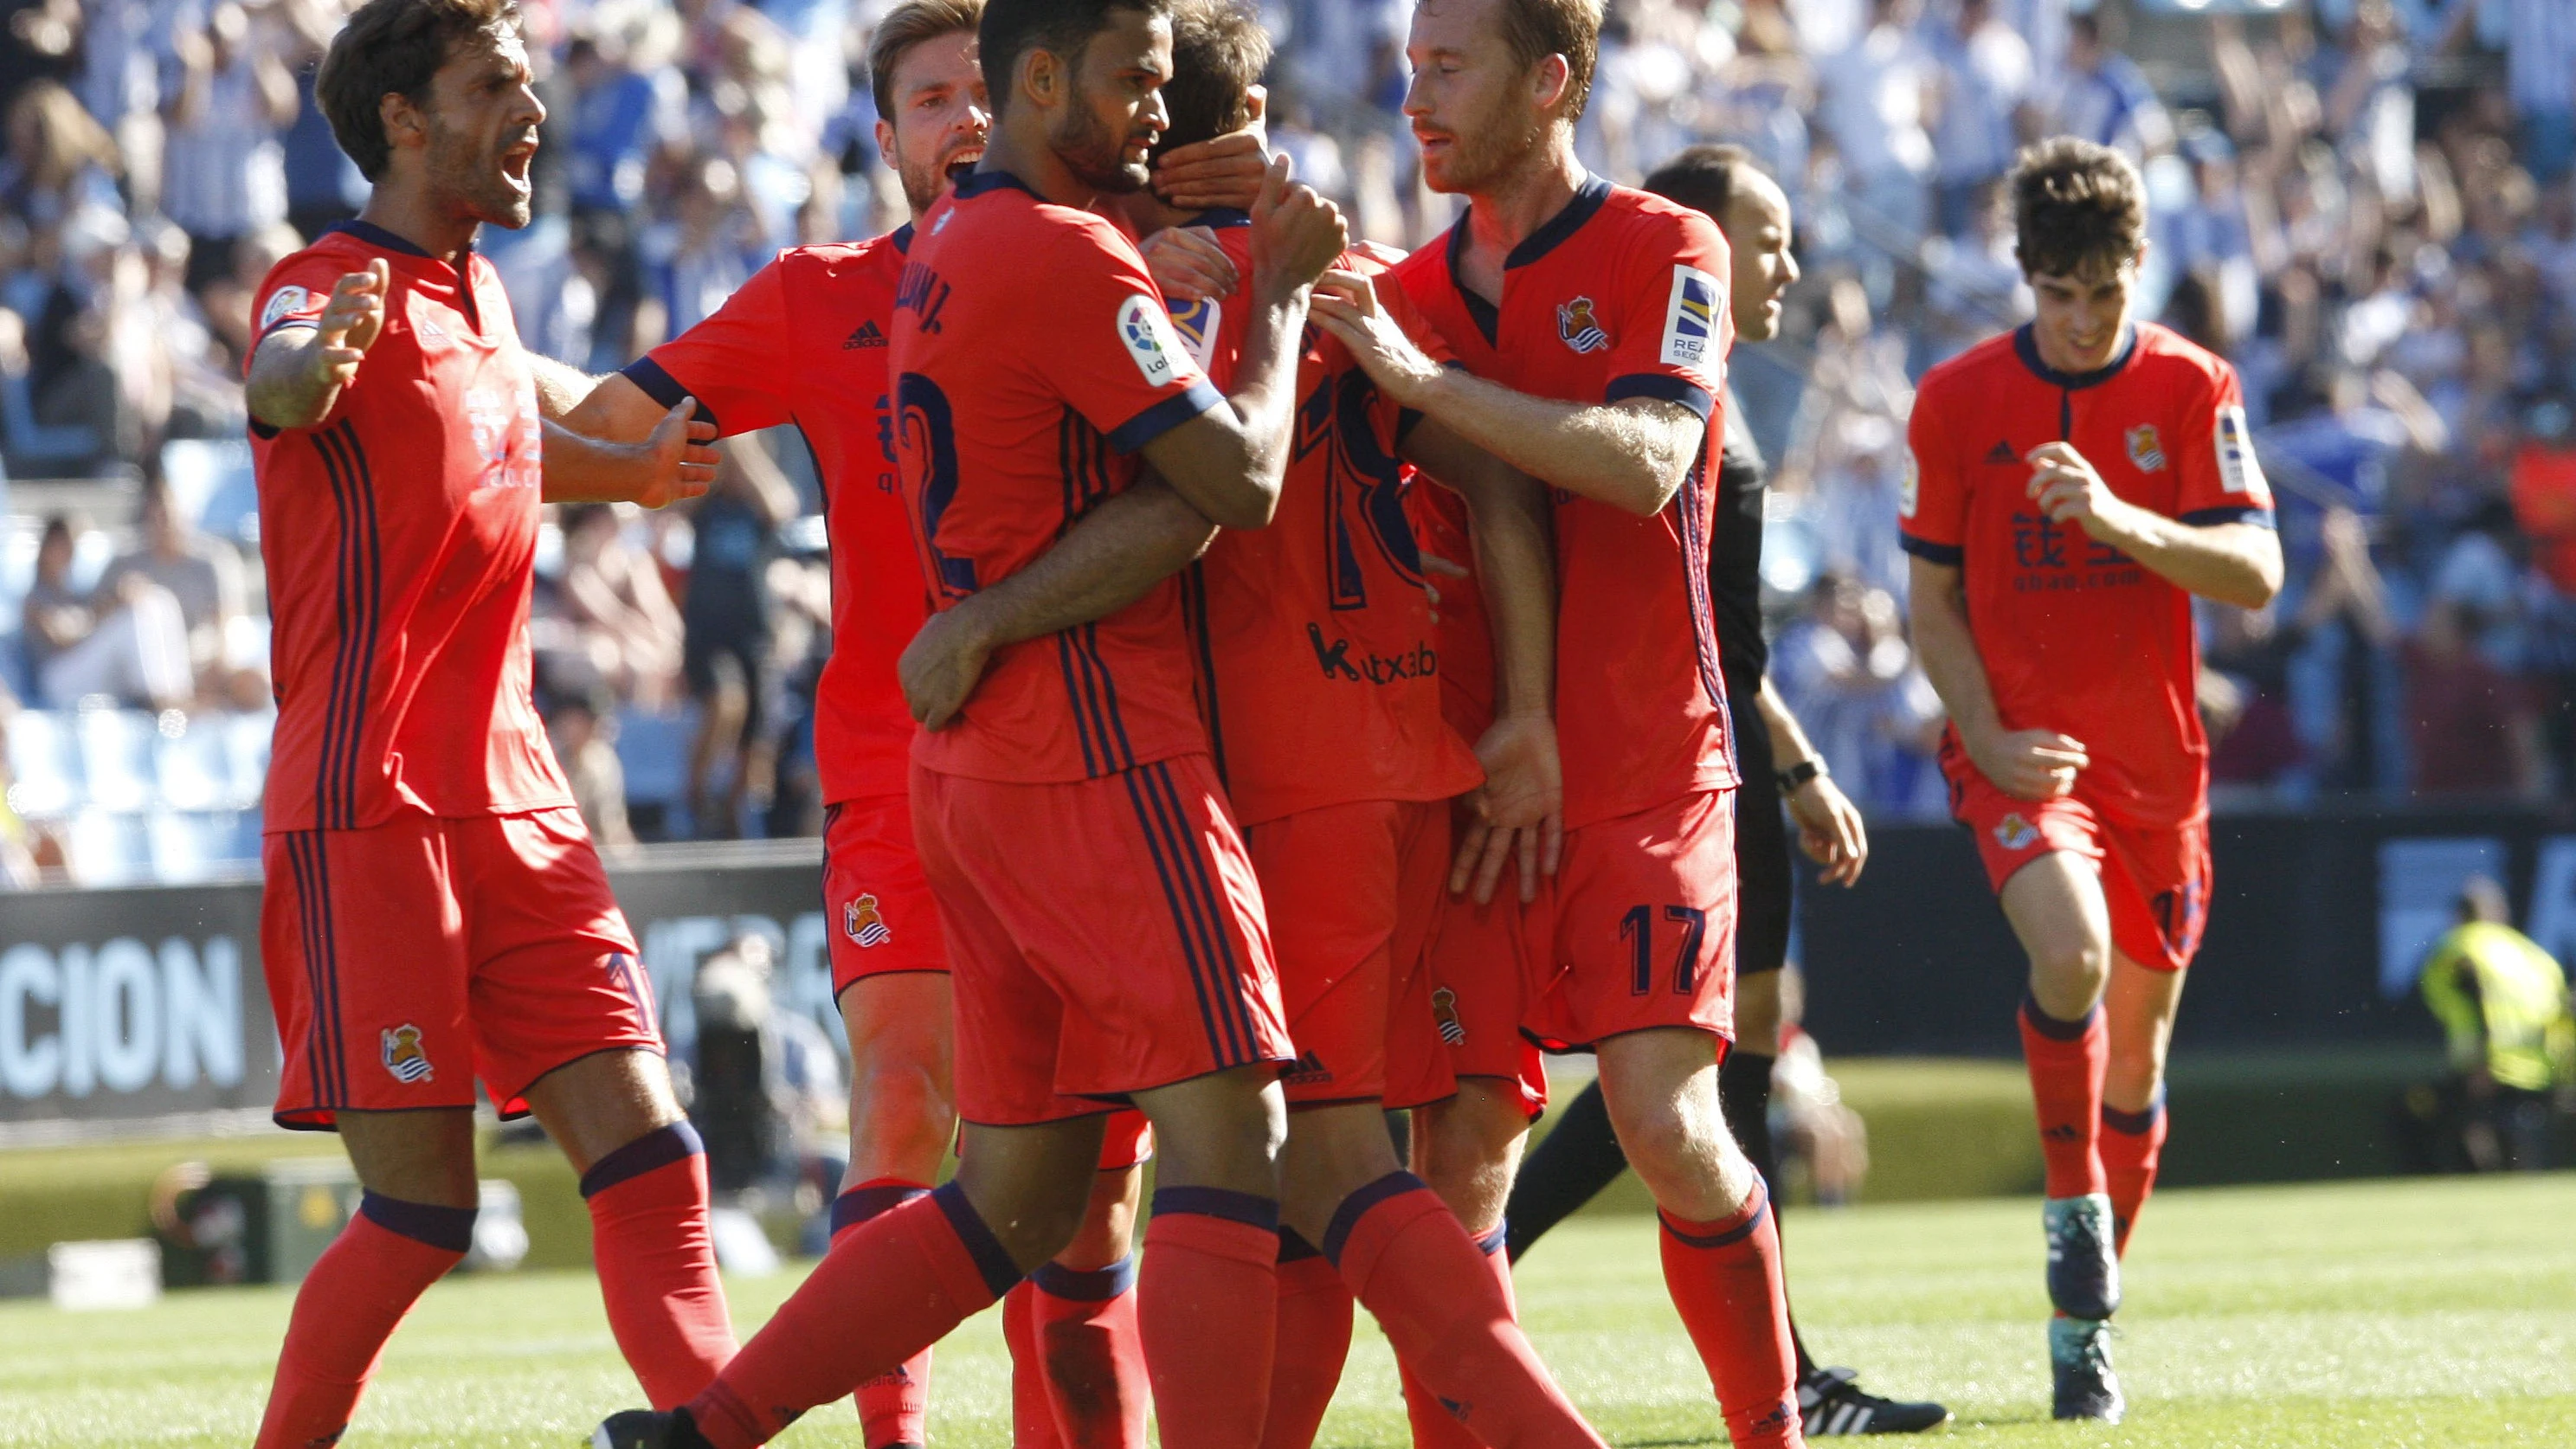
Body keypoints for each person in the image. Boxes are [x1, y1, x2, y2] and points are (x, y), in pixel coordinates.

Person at [593, 1, 1349, 1445]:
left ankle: (709, 1424)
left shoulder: (939, 250)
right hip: (1096, 745)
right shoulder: (1058, 254)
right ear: (1044, 80)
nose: (1153, 112)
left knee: (1017, 1191)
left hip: (972, 763)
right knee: (1230, 1132)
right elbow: (1235, 481)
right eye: (1134, 81)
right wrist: (1288, 291)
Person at [1076, 5, 1602, 1445]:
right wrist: (1527, 713)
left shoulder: (1152, 290)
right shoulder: (1352, 272)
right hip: (1388, 756)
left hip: (1293, 778)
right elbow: (1493, 488)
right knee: (1303, 1189)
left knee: (1324, 1164)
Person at [236, 3, 732, 1445]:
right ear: (405, 118)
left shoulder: (484, 296)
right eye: (495, 86)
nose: (532, 112)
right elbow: (280, 380)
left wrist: (632, 475)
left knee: (655, 1157)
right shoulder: (318, 282)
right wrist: (303, 369)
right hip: (372, 800)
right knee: (418, 1213)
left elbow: (502, 442)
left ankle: (713, 1425)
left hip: (520, 799)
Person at [1311, 2, 1806, 1443]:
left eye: (1448, 67)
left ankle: (1768, 1424)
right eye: (1408, 65)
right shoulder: (1397, 284)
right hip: (1475, 788)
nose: (1417, 96)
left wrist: (1425, 381)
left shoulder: (1668, 248)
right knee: (1458, 1146)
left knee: (1663, 1118)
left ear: (1552, 80)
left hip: (1651, 766)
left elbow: (1651, 461)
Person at [1495, 143, 1949, 1437]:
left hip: (1737, 743)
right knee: (1690, 1081)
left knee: (1730, 1055)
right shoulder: (1665, 376)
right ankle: (1506, 1276)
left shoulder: (1723, 389)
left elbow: (1723, 627)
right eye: (1770, 236)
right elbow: (1680, 622)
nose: (1789, 264)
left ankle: (1786, 1363)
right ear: (1694, 235)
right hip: (1679, 754)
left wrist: (1797, 763)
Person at [1902, 137, 2283, 1422]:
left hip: (2157, 768)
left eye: (2102, 296)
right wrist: (1990, 736)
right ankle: (2071, 1211)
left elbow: (2258, 573)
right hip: (2024, 752)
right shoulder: (1956, 401)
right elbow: (1931, 606)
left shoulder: (2192, 385)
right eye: (2055, 295)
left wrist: (2119, 517)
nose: (2077, 322)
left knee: (2139, 1065)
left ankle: (2082, 1330)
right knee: (2070, 954)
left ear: (2138, 274)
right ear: (2026, 279)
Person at [2418, 876, 2573, 1172]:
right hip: (2539, 1067)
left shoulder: (2464, 946)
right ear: (2500, 913)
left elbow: (2478, 999)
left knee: (2459, 1129)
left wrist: (2482, 1060)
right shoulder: (2534, 955)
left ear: (2458, 915)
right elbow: (2561, 1010)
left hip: (2489, 1064)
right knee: (2523, 1148)